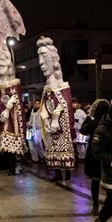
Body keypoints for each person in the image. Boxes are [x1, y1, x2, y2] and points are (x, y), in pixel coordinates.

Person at [36, 37, 76, 181]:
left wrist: (55, 118)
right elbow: (45, 104)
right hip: (51, 127)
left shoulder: (62, 85)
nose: (40, 62)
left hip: (60, 126)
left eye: (44, 56)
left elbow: (64, 104)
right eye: (39, 57)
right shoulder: (47, 87)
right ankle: (57, 173)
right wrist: (45, 118)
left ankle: (67, 174)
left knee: (63, 148)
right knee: (52, 149)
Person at [0, 41, 27, 176]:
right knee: (1, 142)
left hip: (10, 117)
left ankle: (12, 167)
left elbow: (15, 97)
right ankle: (2, 165)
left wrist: (7, 109)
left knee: (10, 144)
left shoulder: (13, 82)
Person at [81, 99, 109, 215]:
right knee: (109, 180)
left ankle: (95, 205)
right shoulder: (109, 121)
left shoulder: (93, 122)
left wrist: (88, 117)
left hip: (94, 152)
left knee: (95, 181)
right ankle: (109, 204)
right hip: (107, 152)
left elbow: (83, 130)